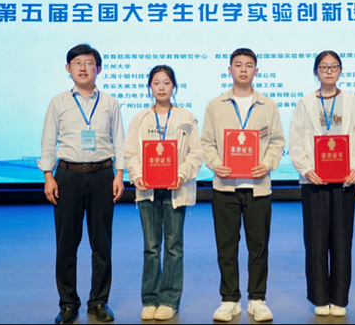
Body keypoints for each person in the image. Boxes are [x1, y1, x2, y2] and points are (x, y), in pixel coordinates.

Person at [39, 43, 126, 324]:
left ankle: (99, 301)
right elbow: (48, 140)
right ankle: (68, 303)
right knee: (67, 243)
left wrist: (119, 175)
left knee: (102, 243)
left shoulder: (110, 102)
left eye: (89, 63)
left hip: (102, 175)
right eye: (77, 63)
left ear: (98, 68)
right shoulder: (59, 102)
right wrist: (48, 176)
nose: (83, 68)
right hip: (68, 175)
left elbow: (119, 140)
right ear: (68, 68)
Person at [200, 48, 285, 322]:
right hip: (225, 186)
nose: (243, 69)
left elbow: (277, 141)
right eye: (238, 65)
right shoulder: (215, 105)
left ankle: (257, 299)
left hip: (258, 186)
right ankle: (229, 299)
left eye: (249, 65)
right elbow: (207, 142)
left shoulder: (268, 105)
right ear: (230, 70)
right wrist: (216, 163)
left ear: (256, 71)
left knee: (258, 246)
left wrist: (268, 163)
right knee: (226, 246)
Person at [288, 50, 355, 317]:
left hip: (344, 180)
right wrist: (306, 169)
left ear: (340, 71)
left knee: (342, 241)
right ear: (316, 72)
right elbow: (296, 141)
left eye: (334, 67)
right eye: (323, 67)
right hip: (314, 181)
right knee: (315, 241)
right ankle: (320, 297)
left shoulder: (352, 102)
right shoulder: (304, 103)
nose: (329, 71)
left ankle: (340, 298)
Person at [124, 65, 204, 321]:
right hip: (147, 190)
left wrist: (181, 174)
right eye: (156, 83)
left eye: (166, 82)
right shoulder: (140, 119)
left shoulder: (186, 118)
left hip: (175, 190)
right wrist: (137, 174)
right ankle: (149, 299)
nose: (161, 87)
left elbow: (196, 153)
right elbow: (130, 153)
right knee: (150, 247)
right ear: (150, 87)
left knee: (173, 247)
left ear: (174, 86)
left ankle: (169, 300)